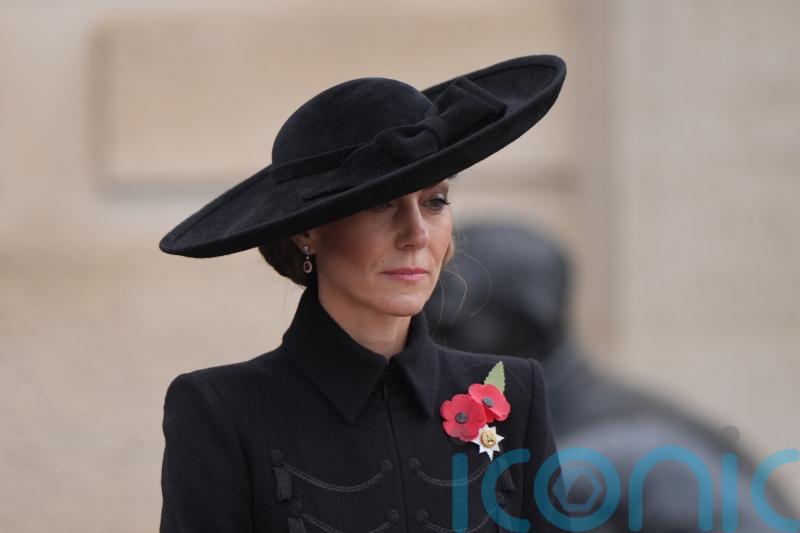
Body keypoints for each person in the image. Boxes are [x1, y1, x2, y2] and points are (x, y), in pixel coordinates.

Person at [158, 55, 569, 533]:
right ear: (305, 232)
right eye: (381, 203)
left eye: (434, 201)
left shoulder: (515, 391)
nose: (416, 234)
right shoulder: (221, 409)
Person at [425, 222, 798, 532]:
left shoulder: (589, 460)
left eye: (447, 325)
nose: (427, 345)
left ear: (529, 325)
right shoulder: (608, 422)